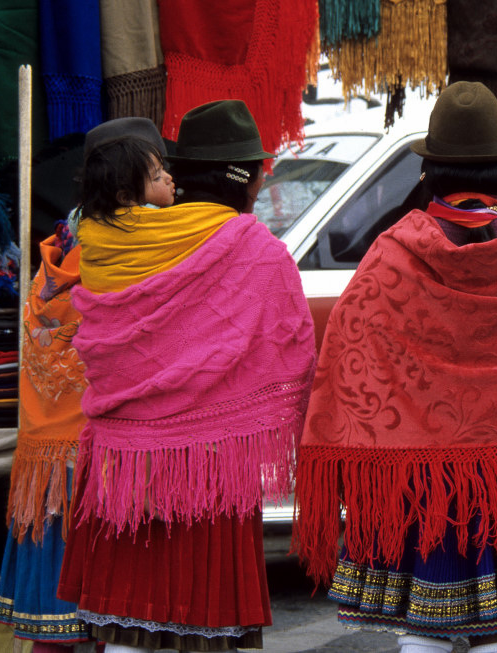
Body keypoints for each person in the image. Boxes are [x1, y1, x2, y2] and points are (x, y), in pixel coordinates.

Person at [293, 82, 497, 653]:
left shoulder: (391, 253)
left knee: (426, 631)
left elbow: (350, 363)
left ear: (429, 174)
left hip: (424, 488)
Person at [56, 99, 317, 653]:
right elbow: (291, 348)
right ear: (243, 177)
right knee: (203, 616)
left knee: (128, 611)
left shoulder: (108, 240)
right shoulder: (251, 248)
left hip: (123, 462)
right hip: (212, 470)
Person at [0, 117, 170, 653]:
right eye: (159, 171)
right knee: (112, 613)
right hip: (104, 457)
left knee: (59, 622)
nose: (172, 181)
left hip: (51, 457)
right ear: (125, 189)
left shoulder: (59, 251)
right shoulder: (124, 254)